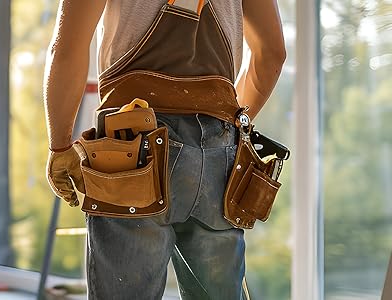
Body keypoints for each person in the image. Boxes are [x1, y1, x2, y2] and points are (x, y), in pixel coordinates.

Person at [42, 0, 286, 298]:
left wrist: (60, 146)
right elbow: (272, 54)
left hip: (132, 148)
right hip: (217, 155)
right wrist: (229, 124)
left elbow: (66, 49)